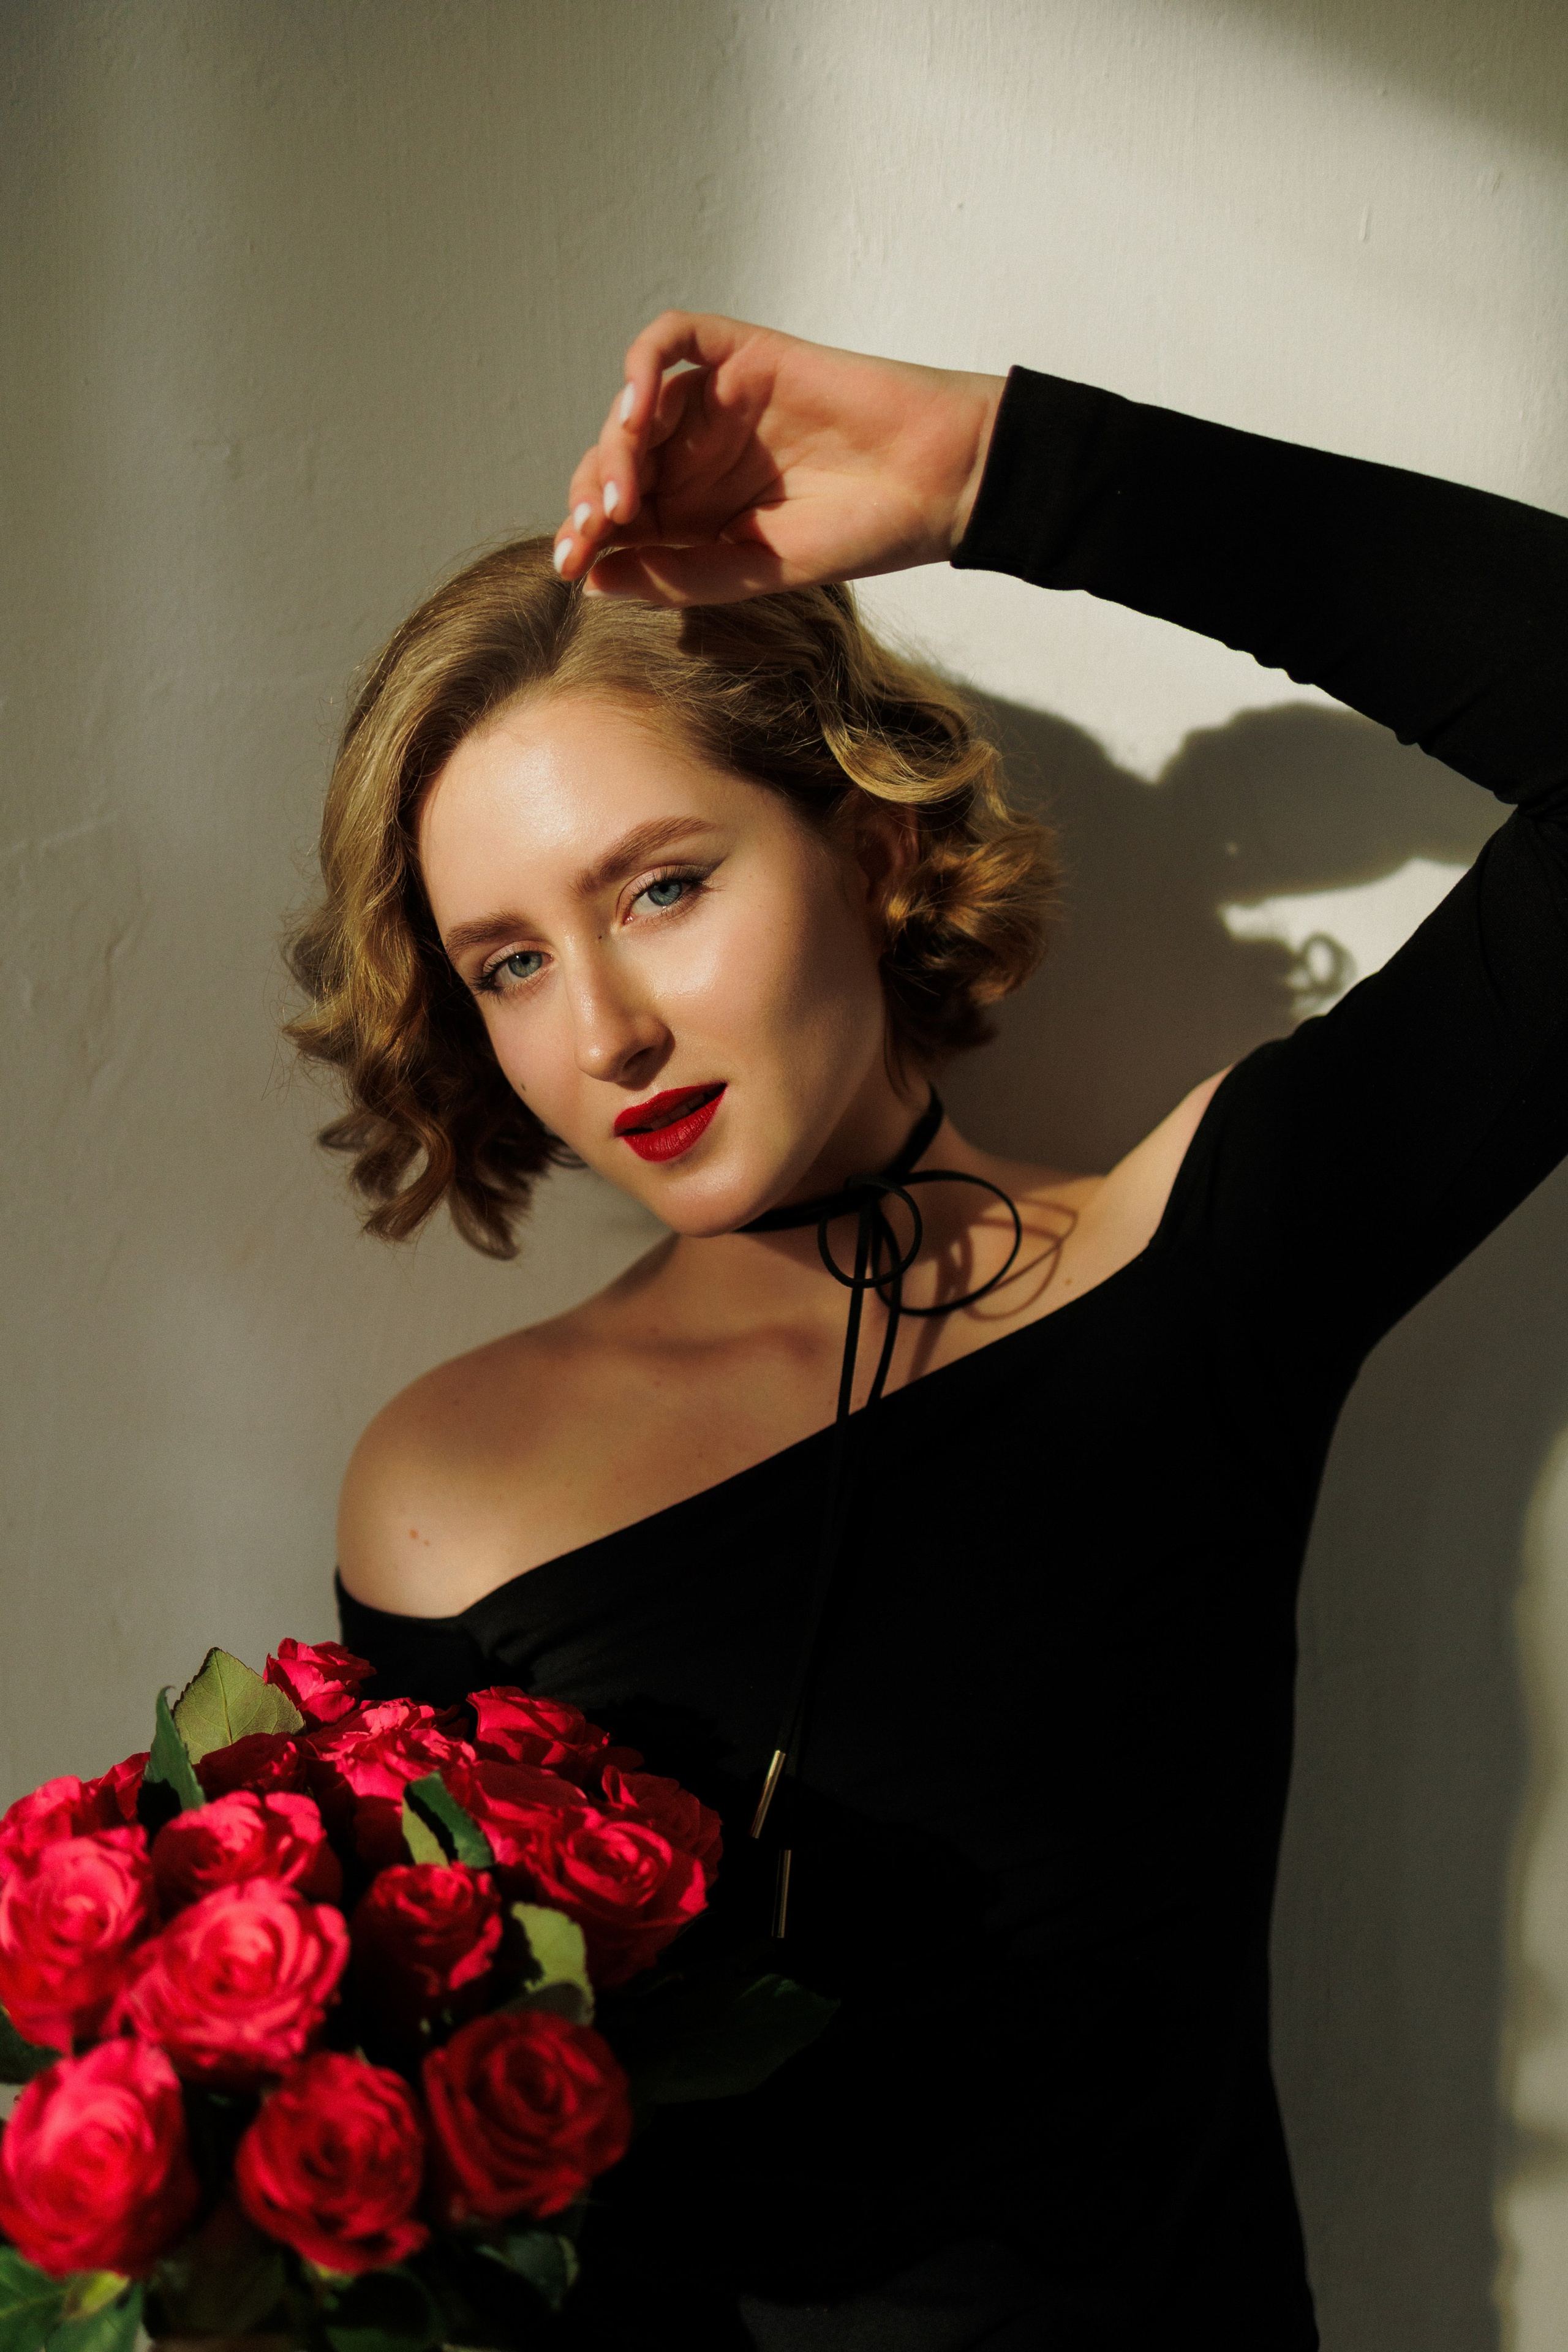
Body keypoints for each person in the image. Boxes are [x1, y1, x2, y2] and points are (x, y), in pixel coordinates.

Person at [293, 313, 1568, 2349]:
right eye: (510, 962)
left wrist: (1004, 473)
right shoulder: (448, 1487)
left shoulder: (1190, 1282)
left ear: (870, 849)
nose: (604, 1032)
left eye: (662, 888)